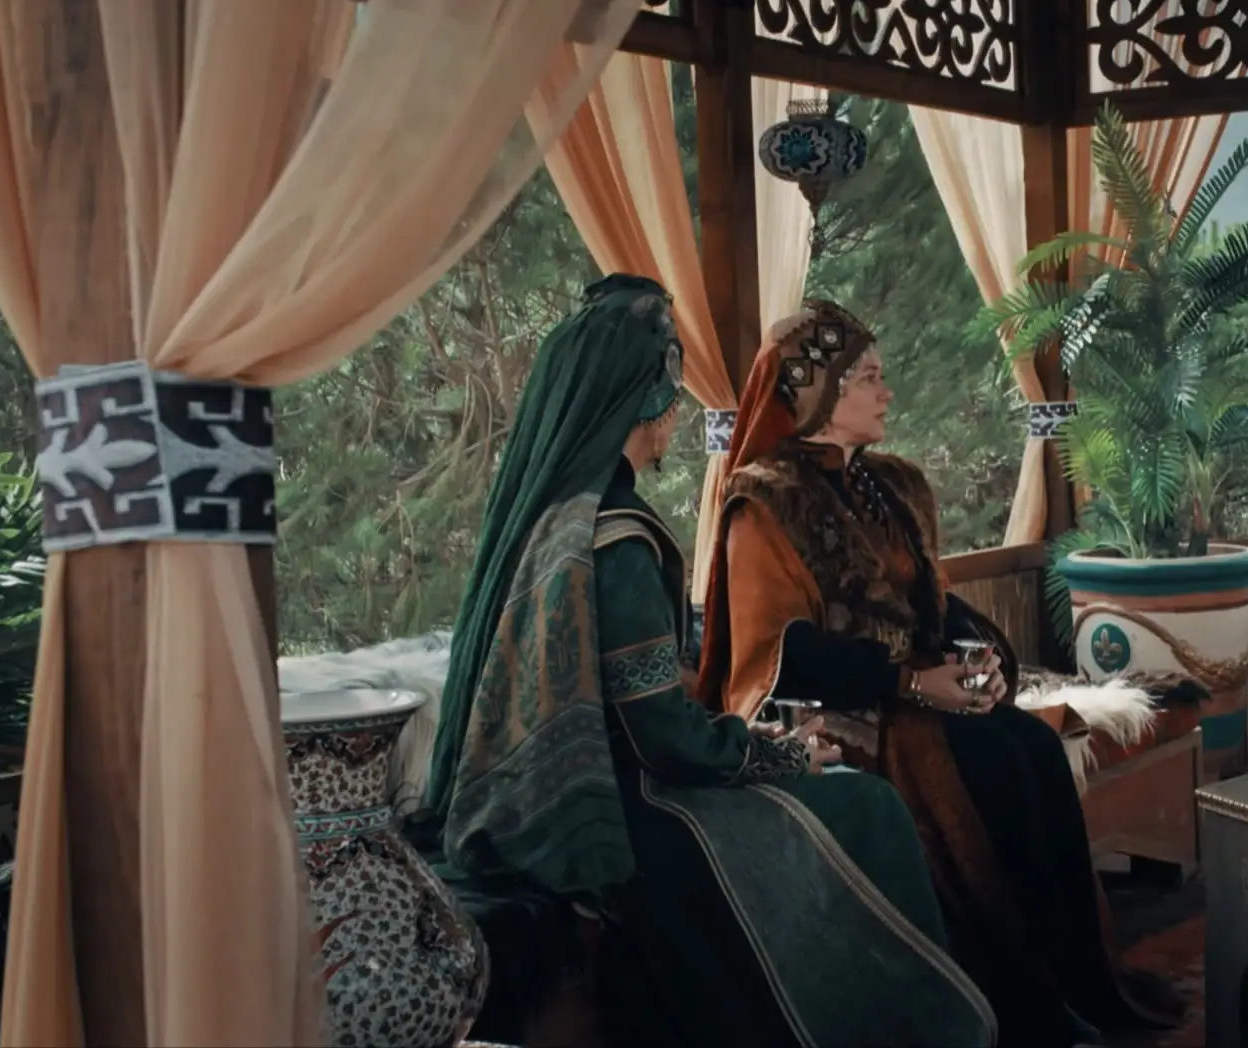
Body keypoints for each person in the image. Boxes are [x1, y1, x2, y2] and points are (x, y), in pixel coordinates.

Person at [415, 275, 995, 1048]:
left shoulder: (560, 515)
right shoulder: (619, 538)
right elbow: (660, 736)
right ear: (642, 403)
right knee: (868, 806)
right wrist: (778, 754)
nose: (677, 414)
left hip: (568, 788)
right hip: (629, 804)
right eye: (670, 394)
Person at [696, 299, 1183, 1048]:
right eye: (869, 377)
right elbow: (782, 656)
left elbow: (933, 601)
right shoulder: (762, 505)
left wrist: (977, 659)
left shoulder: (891, 486)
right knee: (989, 765)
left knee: (1033, 747)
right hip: (841, 710)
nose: (886, 391)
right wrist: (913, 683)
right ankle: (1017, 1002)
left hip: (917, 695)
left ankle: (1072, 980)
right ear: (817, 391)